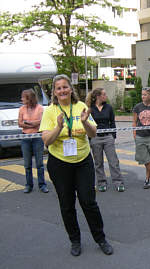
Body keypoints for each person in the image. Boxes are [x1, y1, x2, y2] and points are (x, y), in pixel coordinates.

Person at [39, 74, 113, 256]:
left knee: (88, 201)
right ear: (54, 92)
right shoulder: (49, 111)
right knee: (67, 204)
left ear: (70, 89)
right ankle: (75, 240)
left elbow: (93, 133)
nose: (62, 90)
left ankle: (100, 238)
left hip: (83, 161)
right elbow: (46, 141)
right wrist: (58, 127)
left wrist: (86, 121)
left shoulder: (81, 107)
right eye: (59, 88)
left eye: (65, 87)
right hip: (60, 163)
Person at [85, 88, 125, 192]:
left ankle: (118, 182)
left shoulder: (109, 108)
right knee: (98, 162)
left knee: (113, 161)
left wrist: (113, 136)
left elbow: (112, 122)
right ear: (98, 96)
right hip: (95, 138)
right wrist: (90, 138)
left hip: (108, 137)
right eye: (104, 94)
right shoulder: (90, 109)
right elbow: (87, 124)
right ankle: (101, 183)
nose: (105, 96)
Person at [18, 89, 48, 194]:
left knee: (39, 163)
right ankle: (29, 185)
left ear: (29, 99)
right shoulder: (21, 109)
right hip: (25, 137)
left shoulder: (40, 108)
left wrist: (28, 123)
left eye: (23, 97)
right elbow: (20, 123)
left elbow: (41, 122)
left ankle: (42, 185)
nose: (21, 99)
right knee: (27, 164)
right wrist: (32, 124)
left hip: (37, 137)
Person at [132, 87, 150, 189]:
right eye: (142, 94)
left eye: (145, 94)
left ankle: (147, 180)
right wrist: (134, 134)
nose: (143, 96)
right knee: (145, 159)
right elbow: (134, 121)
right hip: (140, 136)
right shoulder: (137, 107)